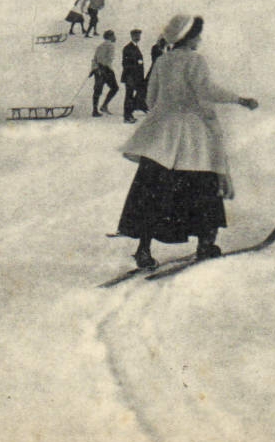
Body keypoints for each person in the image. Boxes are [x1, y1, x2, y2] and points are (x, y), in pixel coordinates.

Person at [115, 15, 260, 268]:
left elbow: (151, 99)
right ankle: (205, 245)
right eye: (198, 34)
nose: (200, 39)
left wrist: (165, 114)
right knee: (203, 187)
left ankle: (144, 250)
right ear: (189, 37)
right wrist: (239, 99)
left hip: (161, 136)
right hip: (192, 135)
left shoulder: (161, 61)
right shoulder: (195, 61)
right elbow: (205, 90)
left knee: (152, 192)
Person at [121, 29, 148, 123]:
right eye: (136, 35)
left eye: (139, 35)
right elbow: (125, 63)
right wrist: (136, 63)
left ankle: (129, 114)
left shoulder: (135, 47)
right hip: (130, 77)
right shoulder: (128, 48)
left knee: (132, 95)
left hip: (136, 77)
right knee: (129, 96)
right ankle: (127, 116)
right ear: (132, 36)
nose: (138, 37)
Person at [91, 30, 120, 117]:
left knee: (97, 90)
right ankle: (104, 105)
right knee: (114, 88)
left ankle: (95, 110)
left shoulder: (100, 46)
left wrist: (95, 69)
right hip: (106, 70)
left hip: (98, 70)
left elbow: (95, 59)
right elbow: (108, 59)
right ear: (110, 36)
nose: (115, 37)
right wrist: (105, 68)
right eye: (113, 35)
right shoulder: (110, 45)